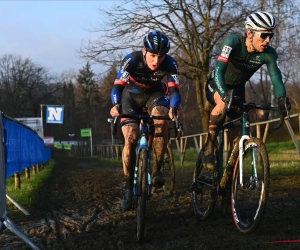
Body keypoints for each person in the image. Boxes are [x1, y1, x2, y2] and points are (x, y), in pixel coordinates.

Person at [204, 11, 291, 173]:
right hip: (217, 83)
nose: (268, 40)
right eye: (263, 35)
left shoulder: (268, 54)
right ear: (249, 33)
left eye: (270, 35)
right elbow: (219, 70)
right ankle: (210, 145)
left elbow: (276, 77)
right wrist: (223, 94)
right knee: (222, 105)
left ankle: (228, 181)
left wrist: (281, 99)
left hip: (237, 89)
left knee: (239, 139)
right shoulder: (233, 42)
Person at [110, 30, 181, 211]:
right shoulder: (132, 60)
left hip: (155, 95)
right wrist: (116, 105)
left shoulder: (171, 64)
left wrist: (174, 108)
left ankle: (156, 170)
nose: (156, 61)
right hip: (130, 97)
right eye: (152, 55)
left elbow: (174, 91)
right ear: (144, 51)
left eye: (160, 56)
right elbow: (117, 88)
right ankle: (128, 188)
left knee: (161, 119)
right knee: (131, 138)